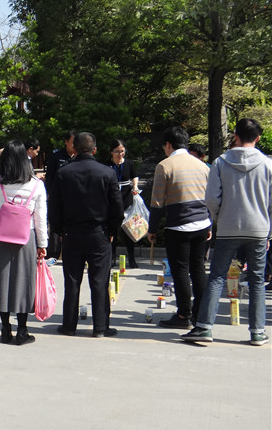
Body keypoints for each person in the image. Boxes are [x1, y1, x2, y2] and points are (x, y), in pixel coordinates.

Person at [181, 119, 272, 346]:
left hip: (228, 227)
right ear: (258, 138)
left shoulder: (221, 162)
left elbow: (211, 199)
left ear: (235, 136)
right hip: (258, 228)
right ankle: (257, 332)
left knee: (217, 276)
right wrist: (268, 231)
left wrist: (219, 217)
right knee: (257, 280)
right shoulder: (268, 164)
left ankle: (204, 328)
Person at [49, 132, 123, 338]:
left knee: (72, 280)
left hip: (72, 233)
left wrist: (59, 231)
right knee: (99, 281)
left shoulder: (64, 173)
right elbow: (117, 208)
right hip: (99, 233)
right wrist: (112, 230)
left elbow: (54, 207)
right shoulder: (107, 173)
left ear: (74, 149)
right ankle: (100, 327)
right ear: (95, 150)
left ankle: (69, 325)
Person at [0, 142, 47, 345]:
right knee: (24, 282)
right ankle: (22, 330)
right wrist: (42, 244)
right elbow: (40, 218)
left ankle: (5, 328)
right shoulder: (36, 185)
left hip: (1, 237)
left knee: (3, 281)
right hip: (26, 238)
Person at [147, 126, 211, 329]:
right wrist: (210, 222)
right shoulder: (202, 166)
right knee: (198, 269)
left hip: (179, 225)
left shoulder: (164, 166)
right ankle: (200, 314)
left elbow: (157, 202)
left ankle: (183, 315)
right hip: (202, 223)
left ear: (168, 145)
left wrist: (152, 229)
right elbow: (211, 198)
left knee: (180, 270)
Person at [105, 139, 140, 268]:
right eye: (117, 152)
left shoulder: (129, 164)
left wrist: (135, 186)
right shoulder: (107, 165)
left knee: (129, 230)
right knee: (113, 230)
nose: (120, 154)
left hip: (126, 198)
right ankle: (112, 258)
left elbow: (134, 176)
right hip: (112, 199)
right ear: (111, 152)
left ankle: (132, 258)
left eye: (122, 151)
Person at [44, 130, 77, 265]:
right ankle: (53, 254)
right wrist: (50, 194)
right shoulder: (56, 156)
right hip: (57, 197)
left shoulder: (79, 156)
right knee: (55, 225)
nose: (74, 145)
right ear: (66, 142)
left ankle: (71, 254)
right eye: (72, 142)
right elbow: (49, 177)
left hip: (74, 197)